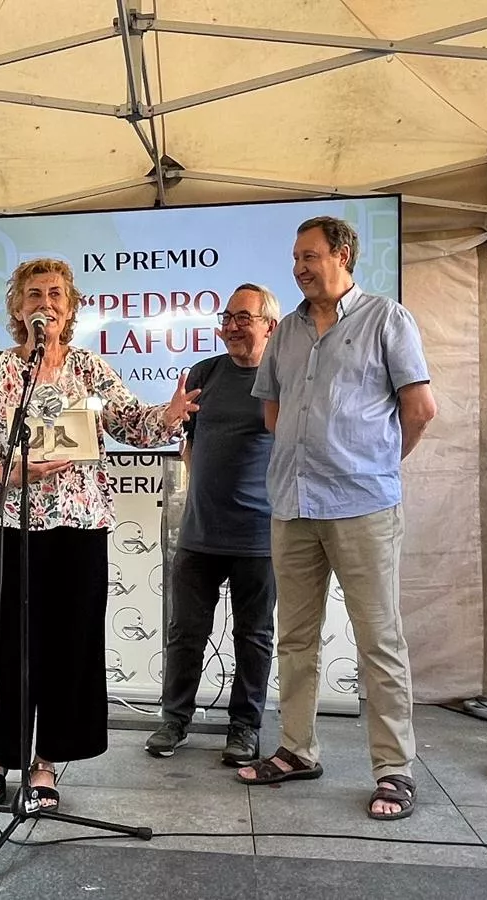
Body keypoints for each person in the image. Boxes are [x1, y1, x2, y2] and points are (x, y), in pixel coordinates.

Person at [0, 257, 198, 810]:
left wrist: (169, 414)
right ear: (19, 308)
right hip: (11, 524)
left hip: (78, 525)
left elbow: (133, 423)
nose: (47, 303)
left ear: (72, 306)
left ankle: (46, 764)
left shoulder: (90, 368)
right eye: (35, 294)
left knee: (68, 647)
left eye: (57, 294)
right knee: (7, 643)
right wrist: (6, 470)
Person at [237, 216, 438, 823]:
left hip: (363, 506)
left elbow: (420, 409)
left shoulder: (386, 318)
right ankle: (298, 750)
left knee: (379, 639)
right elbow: (271, 412)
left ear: (343, 255)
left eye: (310, 255)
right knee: (295, 638)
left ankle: (394, 769)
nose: (299, 267)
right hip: (292, 504)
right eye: (295, 257)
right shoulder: (287, 332)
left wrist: (374, 462)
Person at [144, 283, 279, 767]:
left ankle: (244, 729)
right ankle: (174, 719)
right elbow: (189, 445)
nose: (233, 325)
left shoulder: (282, 378)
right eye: (228, 316)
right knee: (184, 632)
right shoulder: (205, 372)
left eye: (245, 317)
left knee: (254, 636)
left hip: (261, 536)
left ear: (271, 326)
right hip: (200, 533)